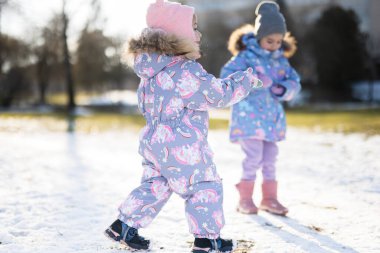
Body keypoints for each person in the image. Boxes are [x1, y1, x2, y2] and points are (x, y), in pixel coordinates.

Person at [104, 0, 263, 252]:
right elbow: (216, 95)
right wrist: (245, 80)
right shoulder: (184, 70)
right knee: (204, 186)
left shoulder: (149, 72)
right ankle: (207, 239)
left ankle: (123, 225)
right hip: (182, 143)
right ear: (176, 35)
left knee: (156, 185)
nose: (199, 34)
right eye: (194, 28)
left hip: (153, 141)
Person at [220, 0, 301, 216]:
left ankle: (269, 198)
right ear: (259, 36)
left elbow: (295, 81)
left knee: (270, 157)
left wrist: (284, 89)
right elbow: (227, 76)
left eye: (278, 41)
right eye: (270, 40)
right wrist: (255, 80)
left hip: (271, 118)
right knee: (253, 157)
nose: (274, 45)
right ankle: (245, 198)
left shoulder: (281, 60)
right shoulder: (245, 57)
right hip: (248, 118)